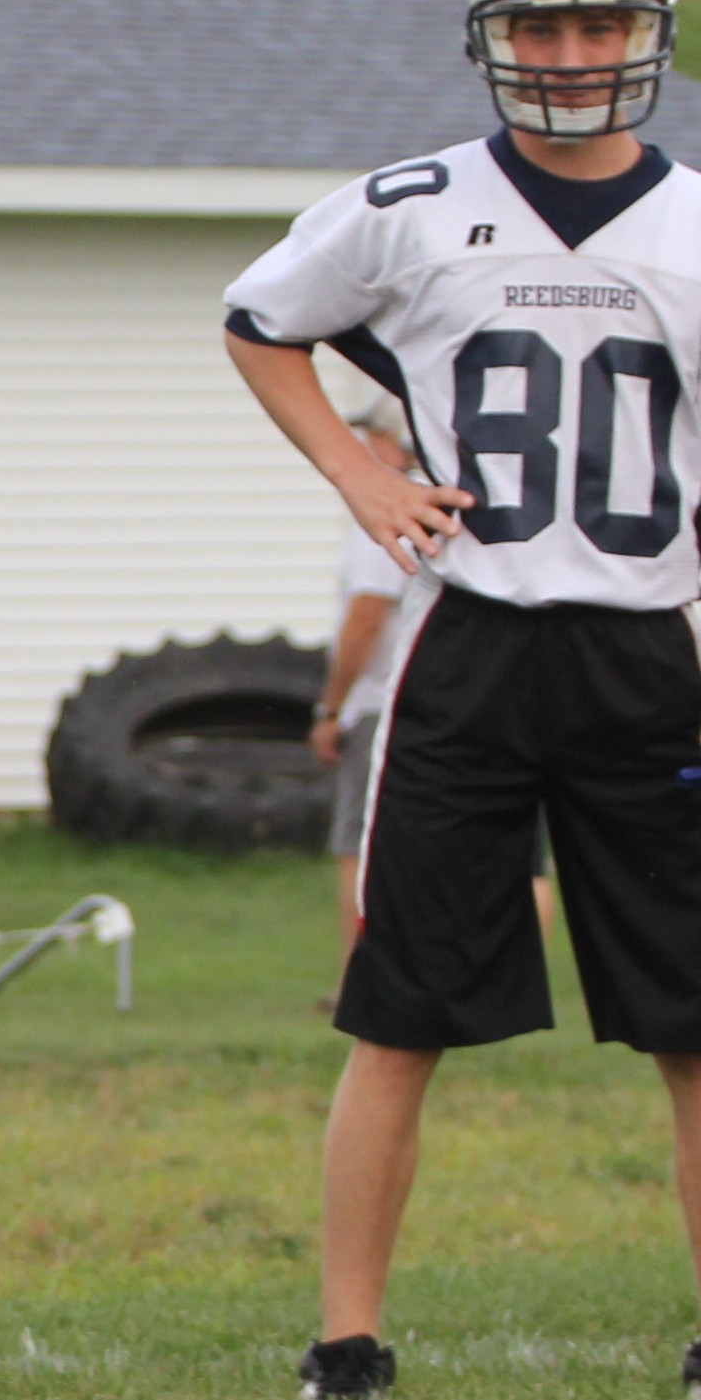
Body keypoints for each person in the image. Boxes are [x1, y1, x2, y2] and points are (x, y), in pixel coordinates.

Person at [224, 0, 701, 1400]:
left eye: (599, 20)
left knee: (696, 1009)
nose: (569, 52)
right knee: (397, 1006)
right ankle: (346, 1337)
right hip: (468, 646)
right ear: (493, 38)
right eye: (541, 24)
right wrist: (360, 472)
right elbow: (258, 321)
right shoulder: (413, 208)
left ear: (652, 31)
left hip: (638, 653)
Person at [307, 373, 423, 971]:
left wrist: (331, 707)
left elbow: (365, 619)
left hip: (380, 702)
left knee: (359, 843)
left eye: (373, 437)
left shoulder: (385, 514)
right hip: (431, 699)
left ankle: (365, 971)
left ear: (395, 446)